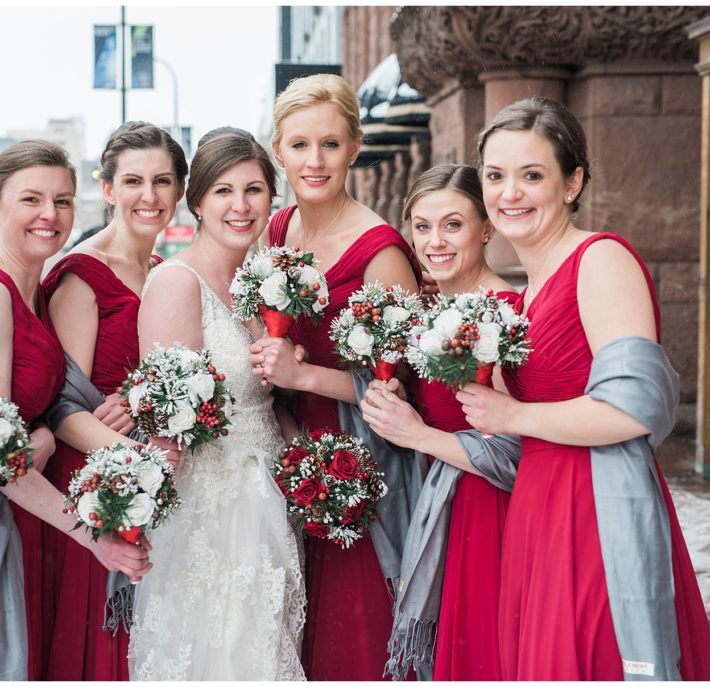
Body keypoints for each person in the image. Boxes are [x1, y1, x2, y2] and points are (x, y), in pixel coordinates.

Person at [451, 97, 710, 680]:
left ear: (572, 182)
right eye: (495, 176)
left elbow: (635, 410)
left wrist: (511, 415)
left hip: (594, 505)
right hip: (538, 506)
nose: (510, 193)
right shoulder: (529, 289)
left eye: (532, 175)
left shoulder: (600, 260)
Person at [0, 140, 151, 681]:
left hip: (25, 519)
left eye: (62, 201)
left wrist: (43, 430)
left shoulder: (32, 293)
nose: (50, 214)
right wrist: (96, 538)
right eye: (31, 199)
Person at [249, 73, 422, 680]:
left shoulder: (382, 253)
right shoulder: (276, 231)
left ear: (354, 147)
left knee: (350, 635)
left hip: (354, 462)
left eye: (329, 144)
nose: (314, 161)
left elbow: (401, 393)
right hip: (281, 444)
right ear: (279, 150)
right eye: (299, 145)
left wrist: (304, 375)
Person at [129, 128, 305, 680]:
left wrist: (309, 464)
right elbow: (166, 420)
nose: (241, 206)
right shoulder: (176, 283)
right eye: (224, 191)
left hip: (269, 494)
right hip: (210, 506)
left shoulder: (261, 284)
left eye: (254, 190)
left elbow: (266, 400)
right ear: (198, 201)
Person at [39, 122, 187, 680]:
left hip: (156, 479)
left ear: (179, 190)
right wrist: (140, 461)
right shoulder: (82, 275)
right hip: (99, 479)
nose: (149, 196)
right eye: (133, 181)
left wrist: (146, 402)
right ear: (107, 189)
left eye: (162, 181)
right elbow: (62, 409)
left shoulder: (164, 273)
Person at [359, 164, 517, 680]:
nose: (435, 241)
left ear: (486, 228)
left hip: (485, 512)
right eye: (422, 226)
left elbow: (514, 453)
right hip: (435, 500)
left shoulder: (504, 313)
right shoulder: (431, 311)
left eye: (453, 224)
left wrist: (418, 434)